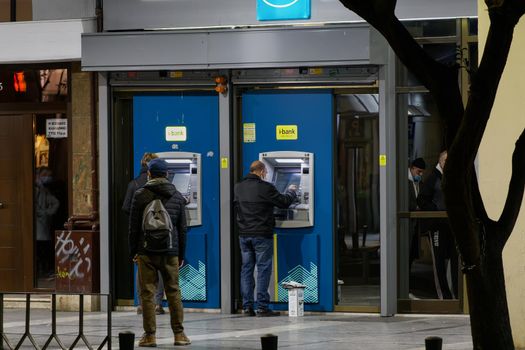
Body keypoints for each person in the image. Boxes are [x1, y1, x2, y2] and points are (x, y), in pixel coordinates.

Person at [128, 158, 190, 347]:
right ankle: (179, 335)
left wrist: (134, 252)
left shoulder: (140, 195)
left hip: (146, 251)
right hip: (170, 251)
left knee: (147, 294)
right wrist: (180, 255)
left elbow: (133, 228)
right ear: (167, 174)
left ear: (149, 174)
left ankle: (150, 336)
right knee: (173, 292)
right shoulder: (177, 196)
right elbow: (182, 229)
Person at [234, 160, 297, 317]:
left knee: (247, 270)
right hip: (262, 234)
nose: (266, 175)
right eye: (266, 172)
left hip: (244, 235)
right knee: (263, 269)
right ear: (261, 171)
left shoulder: (238, 187)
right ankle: (262, 307)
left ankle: (247, 307)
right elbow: (283, 202)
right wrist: (291, 191)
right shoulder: (266, 187)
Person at [122, 152, 166, 315]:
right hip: (159, 231)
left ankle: (141, 304)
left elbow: (126, 208)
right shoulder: (162, 185)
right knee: (160, 268)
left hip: (141, 233)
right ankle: (157, 303)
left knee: (141, 268)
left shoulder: (134, 184)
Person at [417, 151, 458, 300]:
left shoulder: (451, 177)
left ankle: (454, 294)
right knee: (439, 261)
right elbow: (421, 199)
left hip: (450, 226)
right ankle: (444, 297)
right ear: (440, 161)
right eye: (446, 160)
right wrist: (435, 210)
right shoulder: (433, 178)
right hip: (437, 227)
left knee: (454, 260)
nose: (448, 163)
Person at [35, 166, 60, 278]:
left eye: (49, 175)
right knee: (40, 250)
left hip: (42, 227)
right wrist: (43, 212)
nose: (47, 178)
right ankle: (41, 271)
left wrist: (46, 213)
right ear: (38, 175)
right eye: (45, 175)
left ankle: (43, 271)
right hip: (37, 226)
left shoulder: (44, 190)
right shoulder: (35, 189)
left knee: (43, 250)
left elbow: (55, 203)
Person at [408, 157, 426, 269]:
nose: (420, 174)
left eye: (422, 172)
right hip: (407, 223)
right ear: (412, 168)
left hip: (415, 225)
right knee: (406, 252)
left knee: (412, 254)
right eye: (418, 171)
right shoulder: (404, 182)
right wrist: (416, 207)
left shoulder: (420, 184)